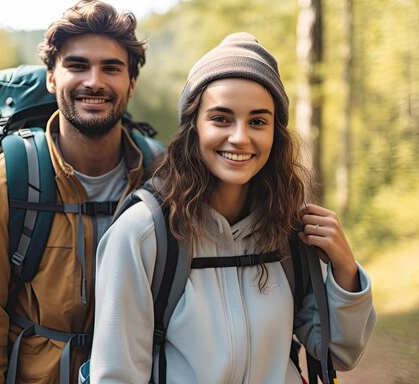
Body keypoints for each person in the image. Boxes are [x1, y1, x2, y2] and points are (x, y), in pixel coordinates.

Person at [90, 32, 376, 384]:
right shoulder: (143, 233)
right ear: (193, 127)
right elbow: (116, 376)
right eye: (221, 119)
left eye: (258, 121)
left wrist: (346, 269)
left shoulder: (289, 229)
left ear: (275, 133)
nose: (240, 137)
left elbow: (338, 353)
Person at [0, 0, 159, 384]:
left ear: (131, 83)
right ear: (51, 78)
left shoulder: (161, 181)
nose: (94, 81)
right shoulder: (2, 186)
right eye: (77, 65)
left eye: (111, 68)